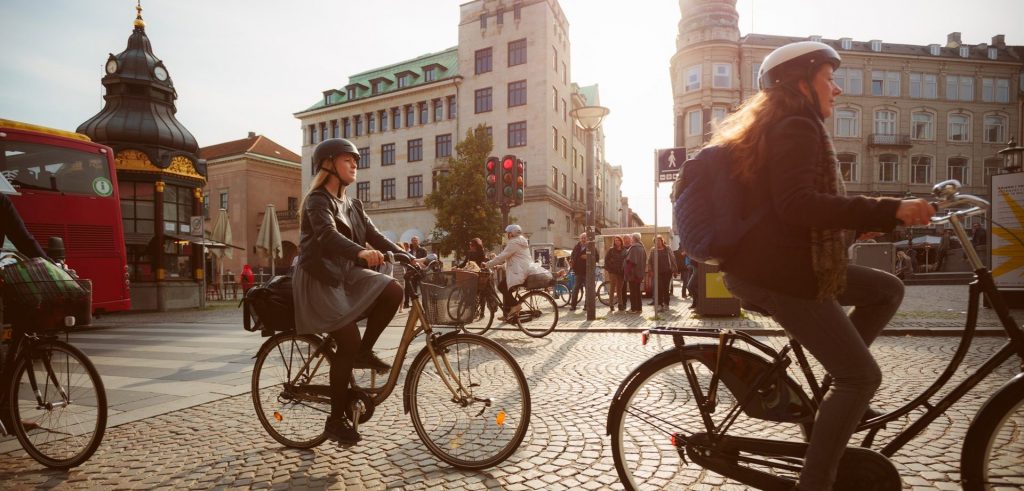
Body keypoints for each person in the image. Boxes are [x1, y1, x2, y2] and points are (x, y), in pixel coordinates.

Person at [711, 41, 933, 489]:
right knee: (861, 376)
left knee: (886, 289)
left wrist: (853, 226)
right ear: (801, 80)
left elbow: (788, 214)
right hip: (781, 274)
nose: (837, 89)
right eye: (829, 78)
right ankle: (816, 482)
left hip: (791, 262)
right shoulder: (795, 126)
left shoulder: (786, 125)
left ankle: (835, 393)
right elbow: (797, 206)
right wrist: (887, 209)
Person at [292, 138, 408, 445]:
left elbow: (375, 234)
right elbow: (327, 235)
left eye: (356, 160)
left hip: (344, 274)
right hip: (318, 277)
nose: (355, 164)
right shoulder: (318, 200)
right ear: (328, 164)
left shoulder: (353, 204)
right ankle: (334, 421)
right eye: (348, 160)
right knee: (347, 339)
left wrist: (407, 255)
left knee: (393, 291)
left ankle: (362, 353)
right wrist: (360, 253)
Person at [484, 224, 531, 320]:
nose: (506, 235)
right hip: (522, 270)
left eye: (507, 233)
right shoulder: (521, 241)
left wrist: (487, 264)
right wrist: (501, 266)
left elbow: (503, 256)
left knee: (501, 286)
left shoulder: (514, 242)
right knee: (506, 289)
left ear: (511, 234)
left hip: (518, 273)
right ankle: (507, 314)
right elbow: (515, 260)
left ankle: (516, 306)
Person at [568, 232, 600, 311]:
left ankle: (587, 306)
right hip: (578, 272)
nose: (583, 239)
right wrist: (571, 260)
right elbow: (572, 255)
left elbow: (597, 258)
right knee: (575, 289)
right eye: (582, 238)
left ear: (587, 239)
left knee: (588, 289)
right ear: (580, 239)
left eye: (584, 238)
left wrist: (588, 257)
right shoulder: (577, 246)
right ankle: (573, 305)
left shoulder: (591, 246)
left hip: (587, 272)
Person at [647, 235, 676, 312]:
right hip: (657, 273)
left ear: (662, 241)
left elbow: (673, 258)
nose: (657, 242)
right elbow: (649, 261)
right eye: (656, 241)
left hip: (667, 272)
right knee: (658, 288)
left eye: (659, 241)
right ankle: (660, 305)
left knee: (666, 289)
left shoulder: (667, 248)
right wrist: (650, 271)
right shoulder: (653, 250)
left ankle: (666, 304)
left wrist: (675, 269)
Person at [623, 232, 647, 313]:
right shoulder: (642, 247)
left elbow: (631, 262)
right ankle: (639, 308)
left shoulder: (634, 248)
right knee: (637, 291)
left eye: (631, 238)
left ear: (634, 239)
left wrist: (627, 272)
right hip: (639, 273)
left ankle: (633, 309)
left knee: (633, 291)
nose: (631, 239)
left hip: (633, 274)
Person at [404, 236, 428, 308]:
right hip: (412, 273)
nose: (414, 242)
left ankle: (425, 304)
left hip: (421, 272)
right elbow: (408, 262)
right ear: (411, 242)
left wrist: (419, 263)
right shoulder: (409, 252)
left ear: (418, 241)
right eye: (413, 240)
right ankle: (415, 305)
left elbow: (426, 261)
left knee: (423, 289)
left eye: (416, 240)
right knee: (413, 290)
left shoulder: (423, 250)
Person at [604, 235, 626, 312]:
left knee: (620, 289)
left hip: (621, 272)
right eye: (615, 240)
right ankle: (611, 305)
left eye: (618, 240)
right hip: (613, 272)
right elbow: (606, 260)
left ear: (621, 241)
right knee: (612, 288)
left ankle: (620, 304)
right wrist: (610, 269)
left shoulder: (624, 250)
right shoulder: (611, 250)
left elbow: (626, 260)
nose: (617, 241)